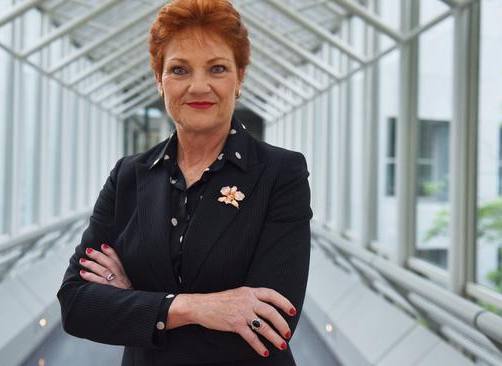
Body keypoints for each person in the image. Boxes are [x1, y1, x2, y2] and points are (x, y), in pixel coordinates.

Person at [56, 0, 312, 364]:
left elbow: (267, 327)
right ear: (159, 81)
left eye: (218, 68)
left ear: (240, 77)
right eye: (179, 70)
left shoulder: (279, 173)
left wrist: (136, 304)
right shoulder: (129, 175)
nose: (199, 86)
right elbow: (76, 305)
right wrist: (197, 308)